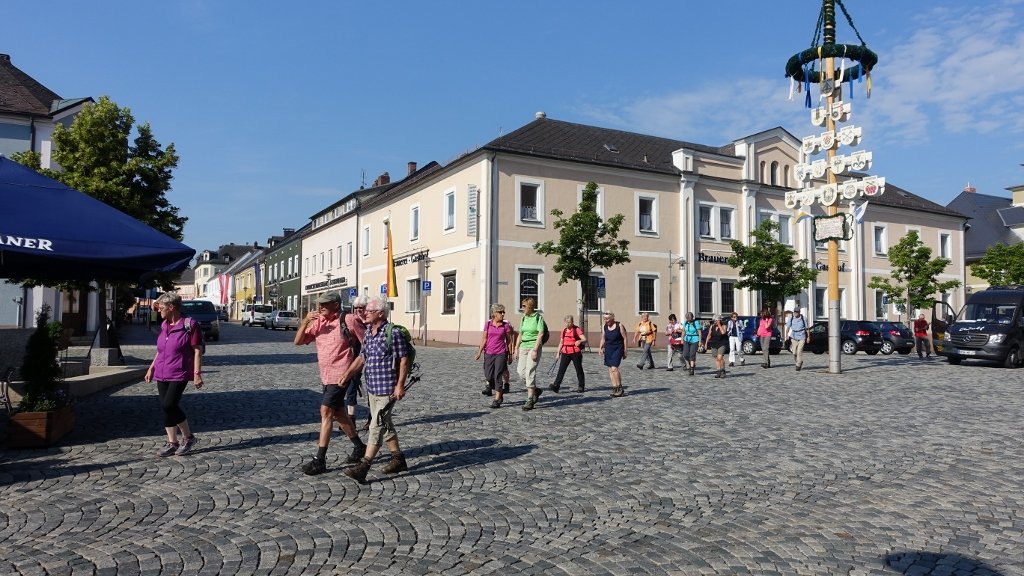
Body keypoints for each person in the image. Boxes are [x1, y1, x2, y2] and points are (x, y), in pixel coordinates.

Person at [294, 291, 367, 476]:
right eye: (319, 304)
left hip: (341, 375)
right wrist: (305, 321)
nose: (320, 307)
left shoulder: (348, 319)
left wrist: (353, 369)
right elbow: (298, 341)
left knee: (325, 411)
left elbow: (367, 344)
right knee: (339, 413)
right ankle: (359, 447)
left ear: (336, 304)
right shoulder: (319, 322)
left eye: (325, 304)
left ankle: (320, 460)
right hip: (326, 376)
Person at [342, 295, 410, 484]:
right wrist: (347, 374)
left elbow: (403, 360)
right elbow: (361, 357)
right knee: (385, 424)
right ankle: (398, 459)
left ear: (380, 313)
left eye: (369, 311)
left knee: (376, 425)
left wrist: (400, 385)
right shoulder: (368, 333)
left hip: (388, 389)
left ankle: (364, 466)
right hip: (373, 387)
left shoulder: (392, 333)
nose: (365, 313)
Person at [144, 292, 203, 458]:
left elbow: (197, 351)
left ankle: (188, 437)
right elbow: (160, 350)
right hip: (162, 371)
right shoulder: (164, 325)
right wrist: (151, 368)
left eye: (161, 307)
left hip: (179, 372)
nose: (159, 310)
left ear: (171, 307)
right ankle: (172, 443)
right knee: (165, 408)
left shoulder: (190, 325)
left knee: (169, 404)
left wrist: (197, 374)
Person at [475, 303, 513, 408]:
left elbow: (509, 341)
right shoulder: (488, 324)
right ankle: (497, 391)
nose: (503, 314)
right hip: (489, 353)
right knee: (488, 375)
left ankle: (497, 399)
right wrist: (479, 352)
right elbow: (484, 339)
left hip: (501, 353)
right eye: (500, 312)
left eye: (503, 312)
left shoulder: (505, 325)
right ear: (494, 313)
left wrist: (510, 354)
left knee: (497, 375)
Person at [514, 297, 545, 411]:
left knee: (529, 372)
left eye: (524, 306)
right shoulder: (523, 318)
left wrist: (535, 349)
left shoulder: (538, 317)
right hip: (523, 347)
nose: (522, 308)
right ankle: (535, 390)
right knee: (520, 372)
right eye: (522, 306)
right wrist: (516, 348)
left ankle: (530, 399)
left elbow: (540, 334)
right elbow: (520, 334)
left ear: (530, 306)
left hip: (533, 347)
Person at [550, 315, 587, 393]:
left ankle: (581, 386)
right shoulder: (564, 331)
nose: (568, 324)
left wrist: (579, 341)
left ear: (572, 322)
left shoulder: (576, 329)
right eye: (567, 322)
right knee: (561, 369)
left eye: (570, 322)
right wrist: (558, 353)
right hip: (565, 352)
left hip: (575, 352)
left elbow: (584, 339)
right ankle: (556, 385)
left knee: (578, 369)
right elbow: (561, 342)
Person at [599, 311, 628, 397]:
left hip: (618, 349)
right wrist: (600, 348)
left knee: (614, 368)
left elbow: (625, 338)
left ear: (612, 318)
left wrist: (625, 350)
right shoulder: (604, 326)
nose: (606, 320)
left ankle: (620, 387)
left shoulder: (619, 325)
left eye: (607, 319)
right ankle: (615, 388)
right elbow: (603, 338)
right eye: (604, 319)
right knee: (610, 369)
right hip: (608, 349)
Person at [703, 314, 728, 378]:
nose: (714, 322)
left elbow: (723, 332)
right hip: (714, 344)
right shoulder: (712, 326)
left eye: (716, 321)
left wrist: (719, 325)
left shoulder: (724, 326)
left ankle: (723, 371)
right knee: (717, 359)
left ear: (719, 320)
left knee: (720, 357)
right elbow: (709, 335)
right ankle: (718, 371)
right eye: (714, 321)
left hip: (722, 343)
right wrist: (706, 343)